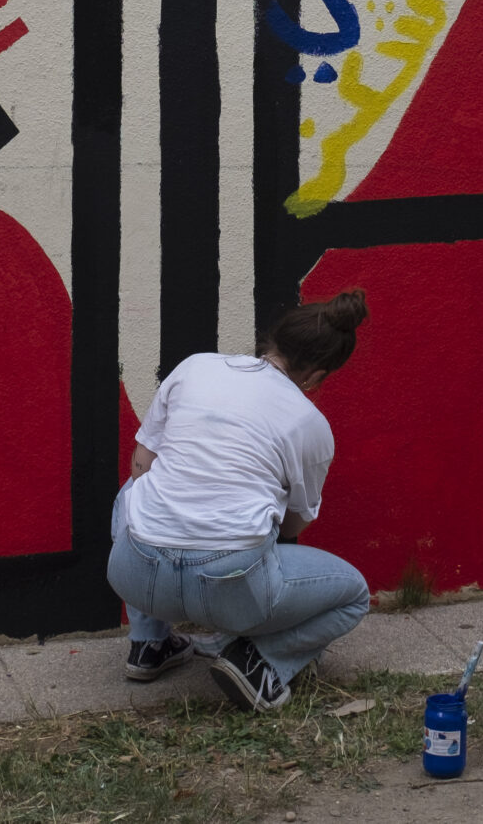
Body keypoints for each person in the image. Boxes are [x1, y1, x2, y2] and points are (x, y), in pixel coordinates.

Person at [108, 290, 373, 712]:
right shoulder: (310, 424)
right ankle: (256, 663)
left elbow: (141, 466)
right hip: (227, 589)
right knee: (354, 595)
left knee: (134, 489)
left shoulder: (195, 367)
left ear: (272, 340)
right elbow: (291, 527)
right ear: (317, 376)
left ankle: (148, 644)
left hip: (133, 573)